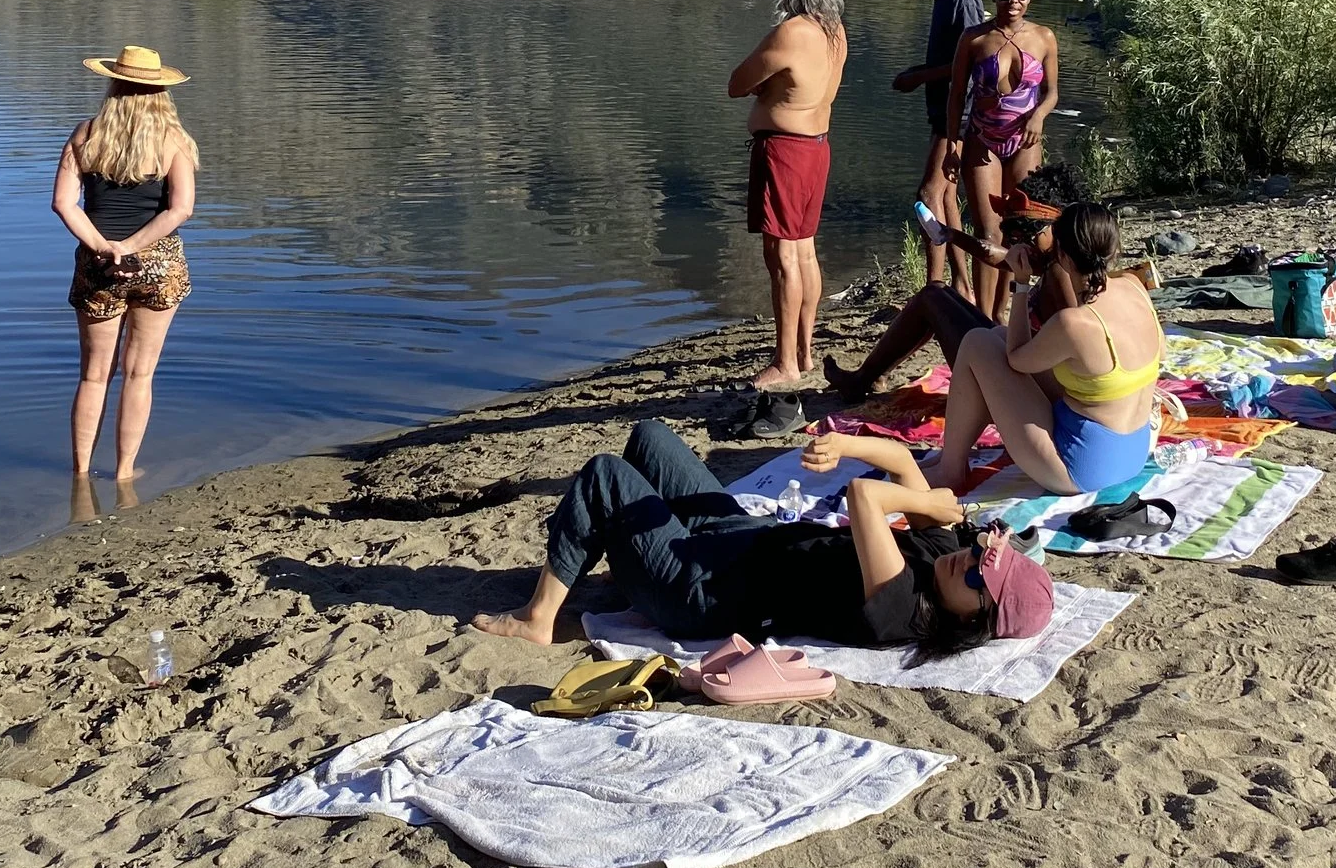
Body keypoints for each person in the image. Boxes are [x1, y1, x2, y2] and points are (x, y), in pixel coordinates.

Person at [471, 418, 1054, 653]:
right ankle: (616, 561)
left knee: (604, 475)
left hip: (701, 590)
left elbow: (868, 498)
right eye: (985, 552)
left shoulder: (908, 611)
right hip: (742, 538)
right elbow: (901, 462)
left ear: (972, 619)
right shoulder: (948, 560)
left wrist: (927, 502)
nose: (971, 559)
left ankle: (540, 619)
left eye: (981, 575)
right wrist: (843, 446)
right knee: (650, 437)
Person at [927, 202, 1161, 498]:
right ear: (1113, 249)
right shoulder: (1134, 287)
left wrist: (1021, 284)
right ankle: (952, 456)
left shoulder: (1073, 323)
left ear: (1061, 254)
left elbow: (1016, 358)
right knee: (996, 336)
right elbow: (1160, 353)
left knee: (977, 343)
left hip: (1080, 470)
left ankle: (950, 470)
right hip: (1133, 452)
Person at [51, 45, 199, 481]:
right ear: (161, 92)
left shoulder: (86, 134)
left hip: (98, 263)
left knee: (95, 376)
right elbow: (180, 210)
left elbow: (63, 203)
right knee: (139, 374)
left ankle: (79, 474)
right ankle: (124, 473)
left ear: (113, 84)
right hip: (158, 263)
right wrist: (132, 245)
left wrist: (103, 245)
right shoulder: (174, 141)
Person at [728, 0, 849, 391]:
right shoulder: (835, 31)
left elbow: (736, 84)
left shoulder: (790, 32)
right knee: (804, 251)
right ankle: (804, 350)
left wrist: (767, 88)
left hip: (784, 151)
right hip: (816, 147)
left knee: (781, 256)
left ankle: (785, 363)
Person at [823, 208, 1056, 404]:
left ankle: (862, 381)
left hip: (1019, 385)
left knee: (931, 299)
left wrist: (1023, 288)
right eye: (1018, 239)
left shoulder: (1059, 274)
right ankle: (871, 377)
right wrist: (952, 235)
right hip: (1016, 367)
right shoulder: (1055, 258)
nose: (1025, 244)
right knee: (937, 291)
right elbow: (995, 255)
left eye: (1032, 235)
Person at [942, 0, 1059, 319]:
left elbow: (1052, 92)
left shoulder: (1044, 37)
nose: (1013, 0)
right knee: (987, 229)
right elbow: (957, 94)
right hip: (982, 141)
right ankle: (983, 315)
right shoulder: (975, 39)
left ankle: (1004, 310)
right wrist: (952, 145)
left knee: (1021, 227)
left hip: (1025, 142)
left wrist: (1038, 115)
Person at [891, 0, 987, 298]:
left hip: (959, 113)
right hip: (945, 113)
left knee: (928, 194)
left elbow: (974, 60)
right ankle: (962, 284)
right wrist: (918, 71)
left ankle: (934, 287)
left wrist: (919, 77)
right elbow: (948, 59)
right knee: (946, 197)